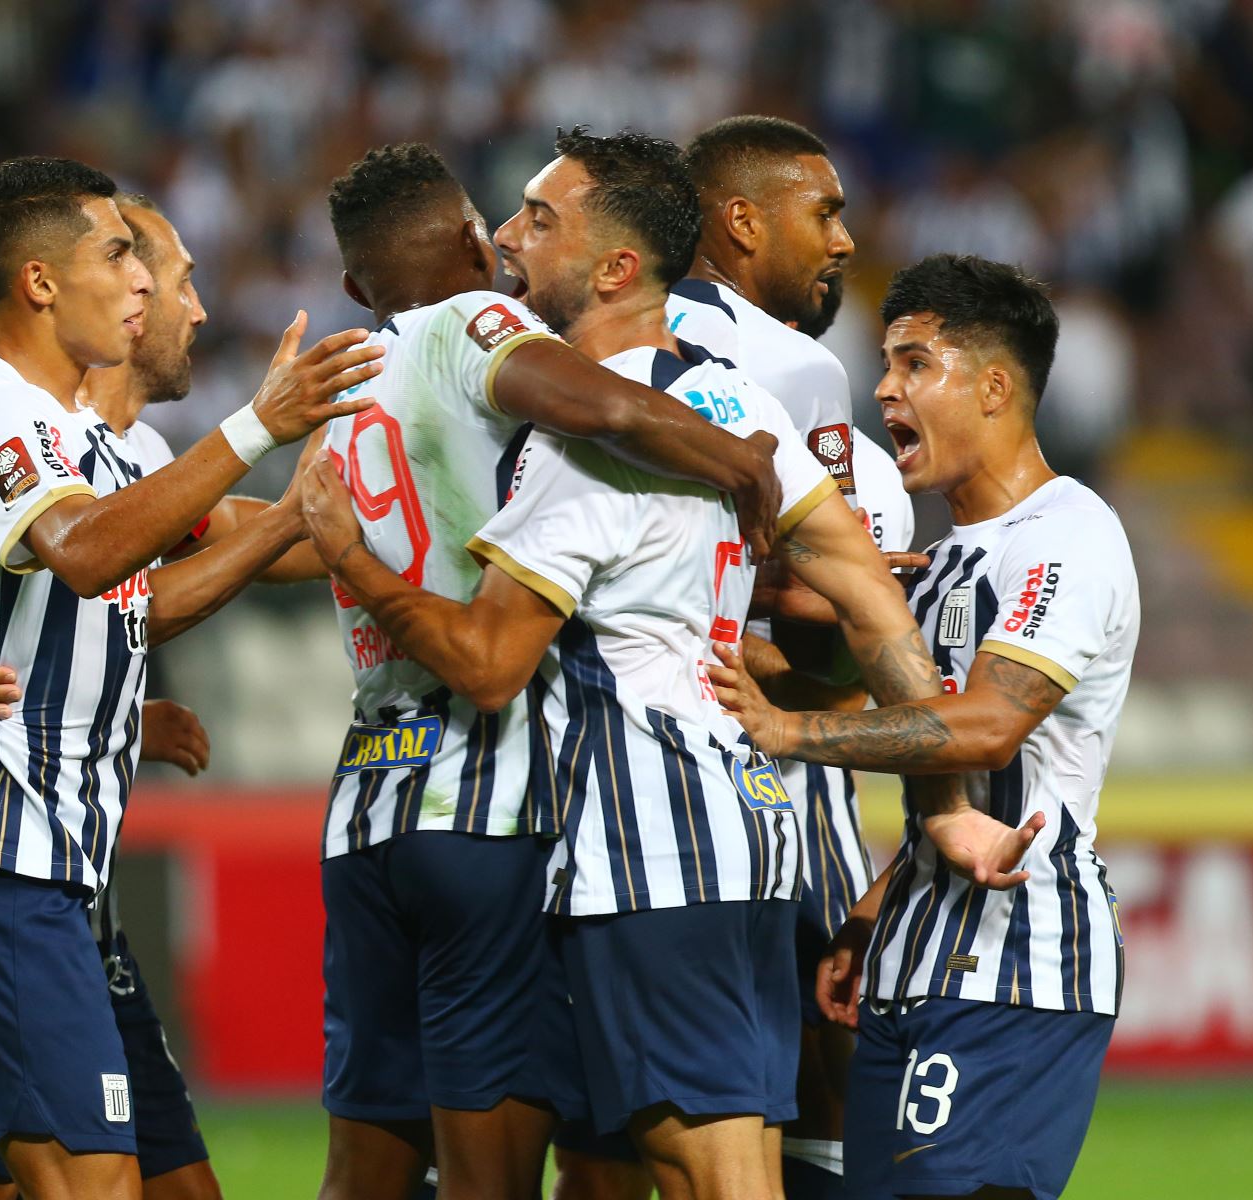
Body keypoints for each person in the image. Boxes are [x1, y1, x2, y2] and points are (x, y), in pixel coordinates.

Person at [300, 128, 1036, 1200]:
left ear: (612, 268)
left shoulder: (580, 452)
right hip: (740, 830)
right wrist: (941, 806)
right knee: (625, 1168)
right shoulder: (742, 407)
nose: (507, 239)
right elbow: (875, 604)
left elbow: (492, 663)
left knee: (711, 1175)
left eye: (539, 221)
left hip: (646, 852)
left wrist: (350, 561)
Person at [0, 155, 383, 1200]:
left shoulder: (87, 442)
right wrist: (259, 428)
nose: (145, 283)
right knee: (97, 1180)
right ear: (42, 281)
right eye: (121, 256)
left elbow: (195, 555)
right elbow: (89, 555)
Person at [308, 142, 784, 1200]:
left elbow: (285, 541)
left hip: (368, 804)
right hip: (492, 801)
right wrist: (733, 454)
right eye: (506, 224)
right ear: (478, 242)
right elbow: (600, 401)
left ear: (353, 285)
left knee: (365, 1172)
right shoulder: (480, 325)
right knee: (551, 1170)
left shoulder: (342, 388)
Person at [710, 254, 1136, 1200]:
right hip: (912, 954)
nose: (884, 388)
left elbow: (986, 729)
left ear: (993, 386)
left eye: (913, 365)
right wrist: (872, 913)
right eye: (888, 365)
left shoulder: (1071, 533)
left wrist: (788, 734)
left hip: (1017, 959)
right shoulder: (941, 562)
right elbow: (917, 740)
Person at [549, 112, 919, 1200]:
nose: (844, 241)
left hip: (615, 803)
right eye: (827, 214)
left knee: (624, 1136)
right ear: (740, 222)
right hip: (761, 793)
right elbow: (833, 596)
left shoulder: (556, 358)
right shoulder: (790, 371)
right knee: (800, 1085)